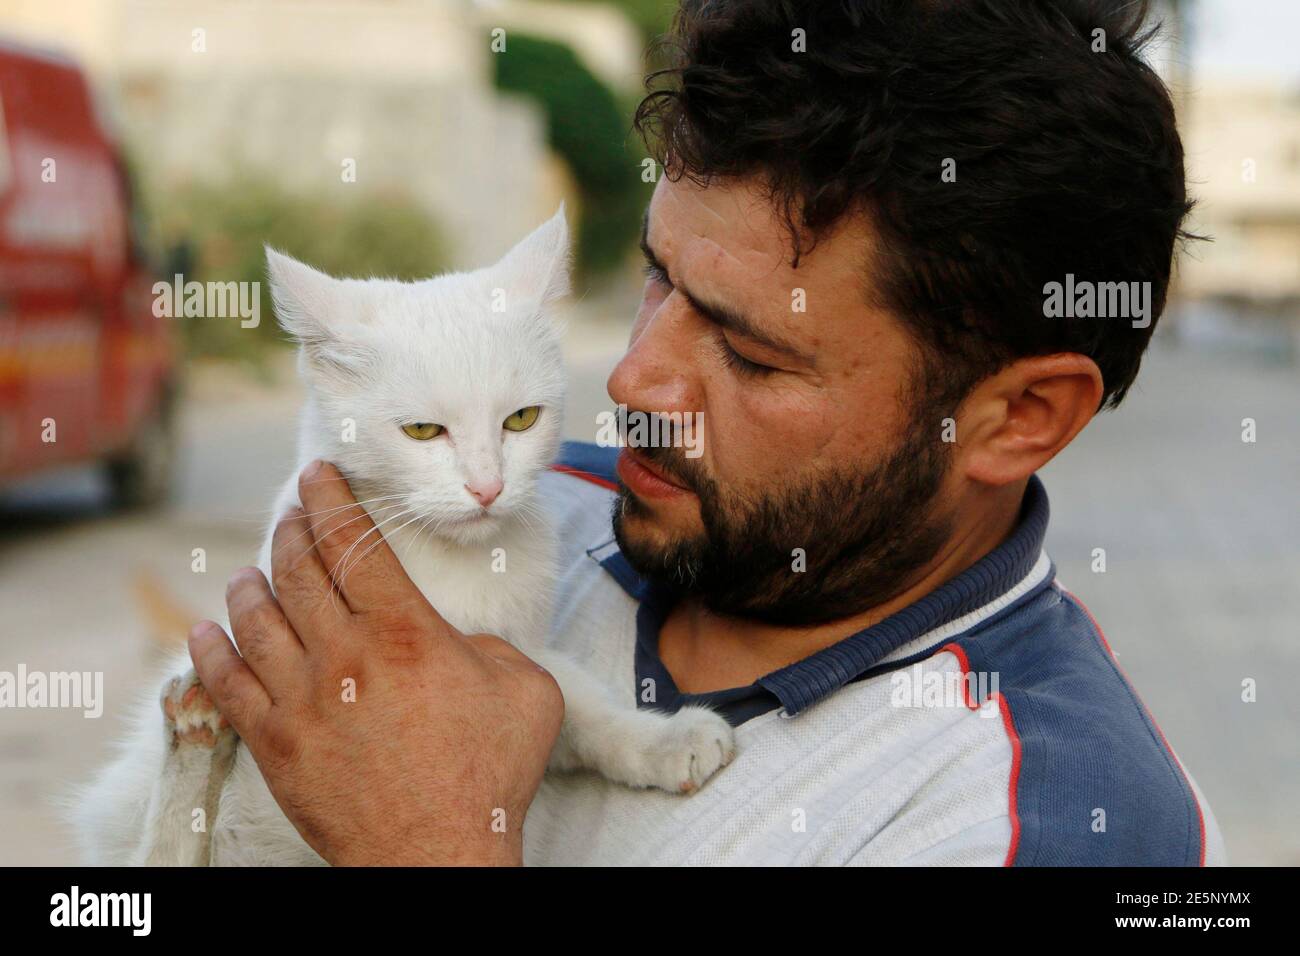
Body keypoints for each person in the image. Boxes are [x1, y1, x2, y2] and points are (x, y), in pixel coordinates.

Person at [190, 0, 1224, 865]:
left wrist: (437, 845)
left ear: (1016, 419)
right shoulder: (521, 511)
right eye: (657, 276)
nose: (634, 375)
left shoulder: (1053, 819)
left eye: (752, 353)